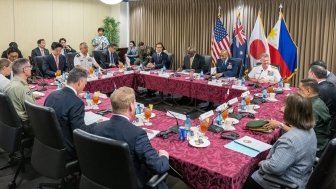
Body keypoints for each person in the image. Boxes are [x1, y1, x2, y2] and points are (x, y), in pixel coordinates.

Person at [92, 87, 169, 189]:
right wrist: (164, 156)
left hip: (105, 180)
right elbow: (158, 167)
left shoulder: (97, 128)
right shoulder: (137, 135)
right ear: (131, 107)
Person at [243, 93, 316, 189]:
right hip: (302, 176)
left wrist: (261, 163)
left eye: (285, 106)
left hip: (283, 182)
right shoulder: (310, 130)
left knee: (245, 177)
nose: (282, 108)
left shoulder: (289, 140)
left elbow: (274, 168)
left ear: (291, 112)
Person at [264, 79, 331, 157]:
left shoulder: (313, 108)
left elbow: (301, 133)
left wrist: (280, 125)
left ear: (308, 91)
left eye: (300, 89)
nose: (297, 92)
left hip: (314, 145)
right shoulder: (315, 101)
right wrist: (290, 110)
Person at [44, 68, 97, 160]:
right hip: (68, 148)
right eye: (85, 83)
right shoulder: (76, 102)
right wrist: (96, 124)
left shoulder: (52, 95)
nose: (85, 86)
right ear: (80, 82)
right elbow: (80, 132)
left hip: (50, 142)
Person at [4, 58, 37, 135]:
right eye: (30, 67)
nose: (31, 68)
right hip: (26, 125)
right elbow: (33, 112)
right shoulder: (22, 87)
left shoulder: (11, 83)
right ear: (25, 70)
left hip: (13, 124)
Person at [308, 65, 336, 137]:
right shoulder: (330, 85)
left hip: (322, 129)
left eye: (308, 74)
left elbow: (310, 110)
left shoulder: (318, 90)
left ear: (313, 74)